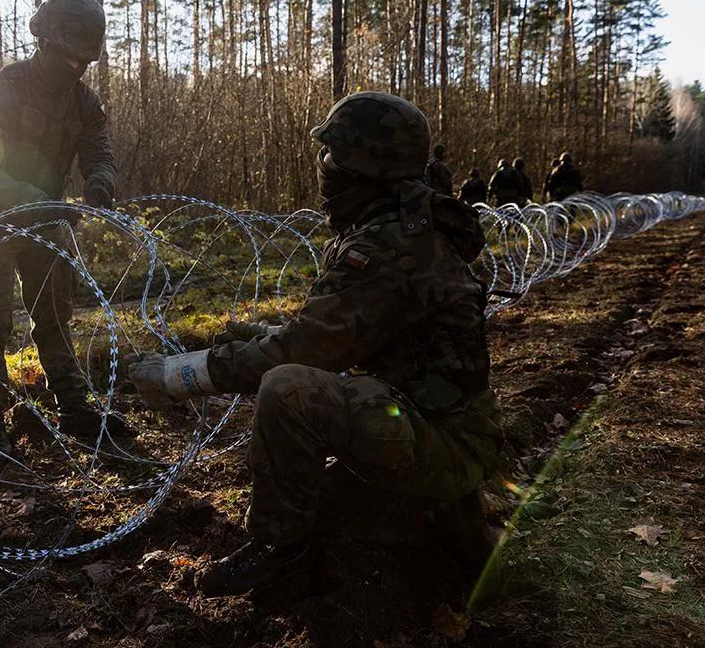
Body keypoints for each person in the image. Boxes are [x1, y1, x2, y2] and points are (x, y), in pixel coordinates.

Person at [126, 92, 503, 597]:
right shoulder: (403, 225)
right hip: (435, 422)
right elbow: (348, 333)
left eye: (331, 153)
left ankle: (282, 553)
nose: (323, 165)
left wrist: (178, 376)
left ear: (361, 163)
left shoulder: (389, 244)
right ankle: (424, 517)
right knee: (330, 492)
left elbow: (304, 353)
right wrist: (265, 337)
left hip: (442, 441)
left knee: (288, 389)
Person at [0, 0, 129, 459]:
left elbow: (100, 152)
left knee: (54, 314)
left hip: (48, 218)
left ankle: (73, 407)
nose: (76, 68)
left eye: (85, 60)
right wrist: (39, 202)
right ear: (44, 42)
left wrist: (100, 186)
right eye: (69, 57)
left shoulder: (85, 103)